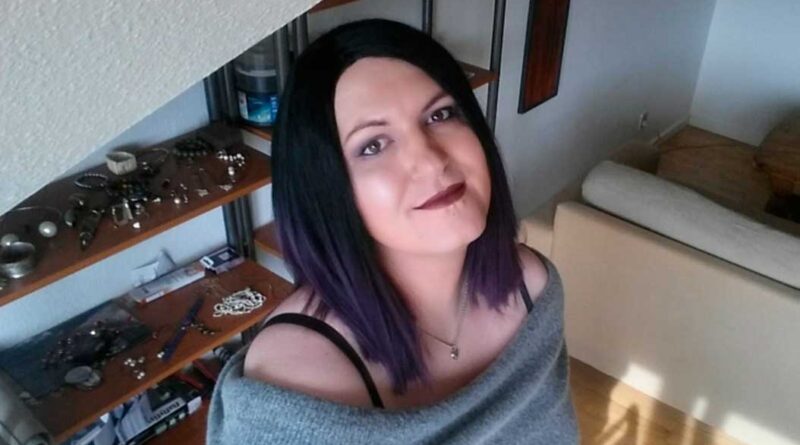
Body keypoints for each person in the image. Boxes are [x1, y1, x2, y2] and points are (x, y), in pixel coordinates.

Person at [207, 18, 579, 444]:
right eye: (373, 145)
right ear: (327, 190)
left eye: (440, 114)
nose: (431, 160)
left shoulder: (533, 289)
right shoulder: (294, 384)